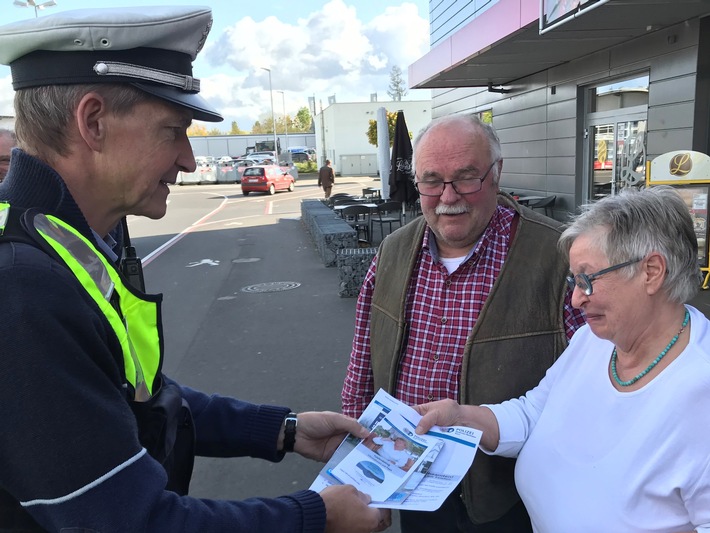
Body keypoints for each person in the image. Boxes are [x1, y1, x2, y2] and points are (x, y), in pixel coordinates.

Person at [0, 7, 388, 533]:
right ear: (92, 122)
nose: (188, 159)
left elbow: (140, 399)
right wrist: (316, 517)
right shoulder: (21, 285)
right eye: (173, 130)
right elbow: (132, 522)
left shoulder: (69, 240)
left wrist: (283, 429)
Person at [414, 185, 710, 532]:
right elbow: (532, 414)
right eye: (574, 280)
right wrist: (461, 415)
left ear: (651, 272)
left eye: (587, 279)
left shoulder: (698, 390)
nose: (575, 299)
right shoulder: (594, 341)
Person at [341, 113, 586, 532]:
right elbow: (362, 366)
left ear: (497, 173)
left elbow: (593, 383)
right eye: (431, 181)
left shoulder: (558, 255)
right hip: (410, 481)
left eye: (466, 178)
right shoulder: (393, 251)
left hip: (509, 492)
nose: (447, 196)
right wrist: (357, 472)